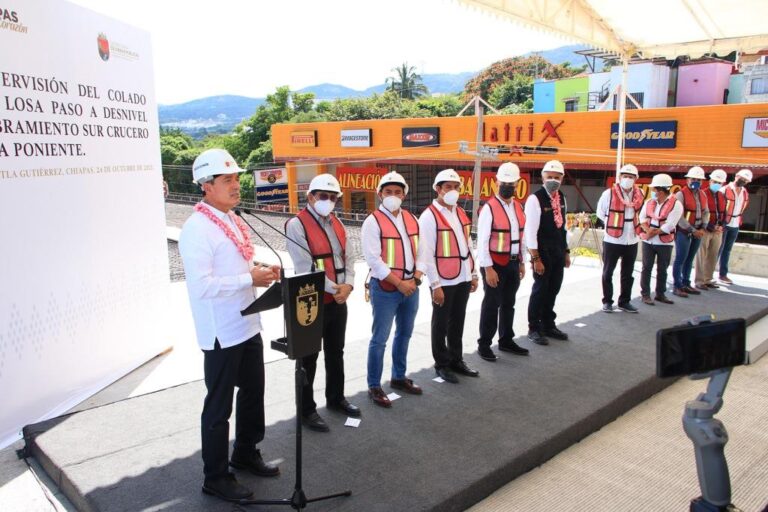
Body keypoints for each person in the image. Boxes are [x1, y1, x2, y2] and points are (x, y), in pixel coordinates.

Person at [178, 148, 280, 503]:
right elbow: (203, 285)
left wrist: (261, 270)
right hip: (221, 331)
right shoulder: (195, 229)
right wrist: (245, 278)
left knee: (254, 393)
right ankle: (215, 476)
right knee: (219, 407)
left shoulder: (233, 219)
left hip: (248, 321)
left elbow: (239, 261)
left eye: (237, 178)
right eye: (227, 180)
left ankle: (246, 451)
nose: (236, 185)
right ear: (207, 186)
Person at [285, 174, 360, 432]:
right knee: (309, 359)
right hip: (311, 300)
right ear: (310, 197)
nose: (328, 201)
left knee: (335, 352)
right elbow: (304, 265)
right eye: (323, 196)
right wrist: (335, 288)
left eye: (332, 197)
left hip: (339, 299)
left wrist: (348, 285)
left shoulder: (337, 223)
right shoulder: (297, 225)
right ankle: (306, 410)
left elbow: (349, 257)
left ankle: (336, 398)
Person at [361, 172, 424, 407]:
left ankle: (398, 377)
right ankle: (374, 385)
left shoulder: (412, 219)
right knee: (380, 338)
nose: (393, 196)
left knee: (404, 334)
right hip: (386, 288)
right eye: (388, 192)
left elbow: (423, 253)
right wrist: (400, 283)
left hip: (411, 286)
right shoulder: (373, 221)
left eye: (398, 192)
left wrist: (415, 280)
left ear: (404, 194)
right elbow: (373, 260)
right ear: (380, 194)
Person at [417, 168, 480, 383]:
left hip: (462, 276)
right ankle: (442, 363)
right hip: (443, 279)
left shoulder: (460, 212)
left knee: (458, 321)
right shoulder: (429, 217)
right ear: (437, 189)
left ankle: (456, 359)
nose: (452, 191)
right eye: (447, 187)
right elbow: (427, 254)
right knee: (441, 323)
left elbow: (468, 244)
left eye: (455, 187)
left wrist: (473, 273)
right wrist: (435, 285)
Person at [475, 162, 529, 362]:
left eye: (511, 183)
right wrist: (488, 268)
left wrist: (522, 261)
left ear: (517, 183)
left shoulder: (518, 206)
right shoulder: (489, 208)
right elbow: (482, 242)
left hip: (513, 262)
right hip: (494, 264)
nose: (507, 186)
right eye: (504, 182)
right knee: (491, 304)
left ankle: (506, 340)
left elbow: (520, 237)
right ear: (497, 182)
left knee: (509, 303)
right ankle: (484, 344)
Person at [525, 160, 570, 346]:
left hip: (558, 251)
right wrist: (536, 258)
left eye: (557, 177)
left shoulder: (562, 197)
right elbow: (530, 232)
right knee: (540, 290)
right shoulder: (535, 199)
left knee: (553, 289)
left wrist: (566, 252)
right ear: (542, 177)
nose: (553, 180)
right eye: (549, 176)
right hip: (542, 253)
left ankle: (548, 324)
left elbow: (563, 227)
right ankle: (534, 327)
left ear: (562, 178)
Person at [595, 164, 643, 313]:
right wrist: (613, 225)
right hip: (613, 239)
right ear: (620, 177)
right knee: (608, 272)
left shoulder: (639, 194)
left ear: (636, 179)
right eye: (625, 176)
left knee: (628, 273)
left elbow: (640, 213)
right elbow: (600, 213)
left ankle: (624, 301)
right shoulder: (609, 194)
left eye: (631, 177)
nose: (628, 179)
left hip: (631, 239)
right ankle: (607, 301)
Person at [638, 173, 683, 306]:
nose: (652, 192)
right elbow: (642, 218)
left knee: (662, 269)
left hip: (665, 242)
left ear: (662, 191)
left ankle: (660, 294)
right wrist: (648, 231)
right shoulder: (649, 202)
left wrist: (652, 233)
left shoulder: (676, 205)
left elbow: (670, 224)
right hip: (648, 241)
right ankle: (645, 294)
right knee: (646, 268)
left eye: (654, 189)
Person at [671, 166, 709, 298]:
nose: (696, 181)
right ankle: (677, 285)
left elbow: (706, 212)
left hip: (698, 230)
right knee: (681, 258)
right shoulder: (680, 194)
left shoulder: (702, 194)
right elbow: (678, 216)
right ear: (687, 179)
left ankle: (686, 283)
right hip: (684, 231)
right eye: (693, 179)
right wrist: (692, 230)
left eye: (699, 179)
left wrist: (703, 227)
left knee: (690, 259)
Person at [694, 169, 727, 290]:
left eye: (720, 182)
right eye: (715, 181)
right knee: (701, 255)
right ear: (710, 181)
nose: (717, 184)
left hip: (718, 231)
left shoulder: (722, 195)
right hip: (706, 229)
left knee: (713, 255)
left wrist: (722, 225)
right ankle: (699, 281)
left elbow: (725, 212)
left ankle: (708, 279)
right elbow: (702, 213)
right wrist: (711, 227)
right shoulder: (702, 194)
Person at [718, 169, 752, 285]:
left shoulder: (744, 192)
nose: (743, 181)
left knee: (727, 250)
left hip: (735, 223)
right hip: (724, 223)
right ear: (736, 176)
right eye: (742, 178)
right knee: (717, 249)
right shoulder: (724, 190)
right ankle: (708, 275)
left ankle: (723, 275)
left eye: (746, 180)